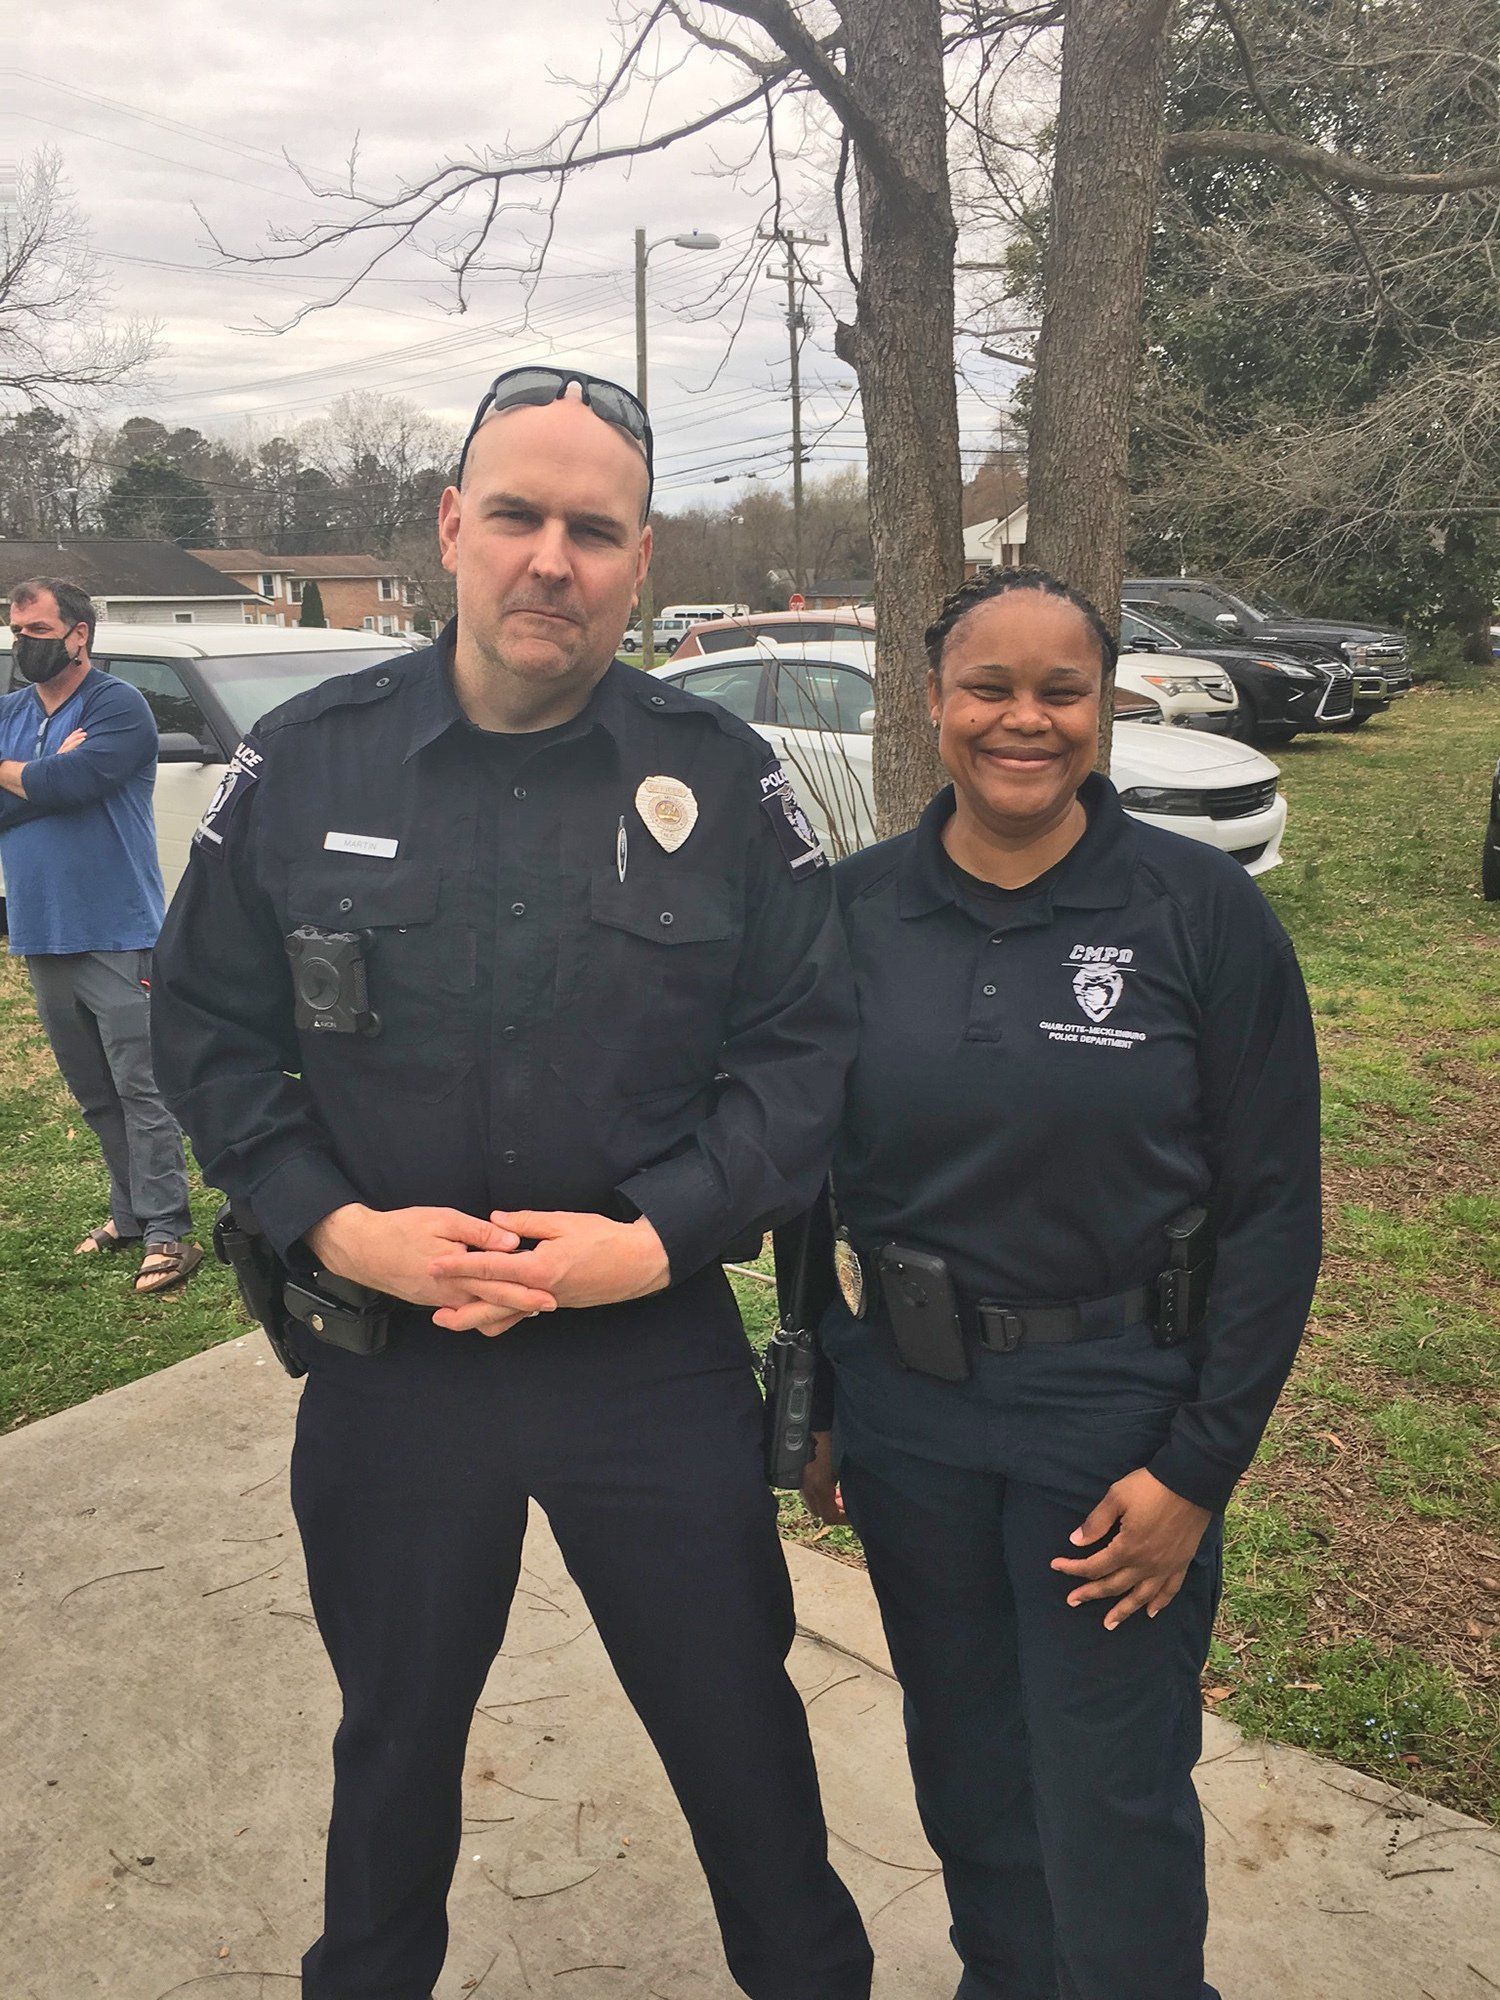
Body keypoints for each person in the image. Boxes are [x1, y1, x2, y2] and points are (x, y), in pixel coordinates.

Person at [150, 365, 873, 2000]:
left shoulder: (724, 785)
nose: (554, 557)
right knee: (395, 1749)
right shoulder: (307, 770)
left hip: (645, 1362)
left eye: (595, 529)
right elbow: (202, 1026)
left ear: (642, 557)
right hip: (395, 1365)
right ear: (452, 527)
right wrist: (334, 1225)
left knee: (741, 1737)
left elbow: (803, 1061)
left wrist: (657, 1240)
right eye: (522, 516)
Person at [801, 567, 1322, 2000]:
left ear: (1105, 705)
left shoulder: (1197, 911)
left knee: (1110, 1787)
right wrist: (825, 1393)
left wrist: (1200, 1468)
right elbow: (809, 1176)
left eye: (1060, 690)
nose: (1021, 720)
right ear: (933, 702)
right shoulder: (853, 913)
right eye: (989, 687)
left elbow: (1277, 1211)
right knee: (967, 1765)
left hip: (1116, 1426)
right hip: (913, 1418)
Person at [1, 578, 201, 1292]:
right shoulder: (11, 712)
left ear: (79, 633)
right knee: (93, 1092)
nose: (25, 642)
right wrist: (39, 775)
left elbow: (77, 785)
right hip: (39, 929)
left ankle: (170, 1231)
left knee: (141, 1086)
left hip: (116, 927)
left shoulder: (119, 706)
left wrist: (33, 780)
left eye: (38, 629)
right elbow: (54, 785)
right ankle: (130, 1213)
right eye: (17, 629)